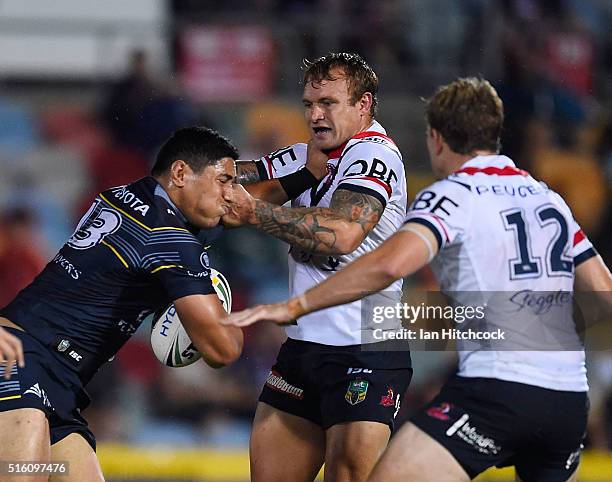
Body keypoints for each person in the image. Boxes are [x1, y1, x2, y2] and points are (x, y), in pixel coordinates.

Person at [225, 78, 612, 482]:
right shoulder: (547, 199)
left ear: (436, 138)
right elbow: (603, 294)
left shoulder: (452, 194)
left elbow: (389, 265)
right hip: (567, 400)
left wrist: (297, 305)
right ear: (494, 133)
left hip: (496, 391)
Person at [0, 127, 246, 481]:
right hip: (21, 361)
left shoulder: (128, 194)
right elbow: (224, 351)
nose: (231, 195)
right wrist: (216, 302)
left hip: (58, 381)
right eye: (223, 181)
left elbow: (233, 197)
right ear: (179, 174)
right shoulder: (169, 241)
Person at [226, 52, 411, 482]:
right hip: (303, 349)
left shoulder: (374, 156)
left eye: (328, 103)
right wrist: (191, 173)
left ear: (363, 105)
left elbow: (344, 232)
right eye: (309, 104)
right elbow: (234, 185)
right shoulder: (308, 156)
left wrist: (253, 212)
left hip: (364, 349)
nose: (315, 114)